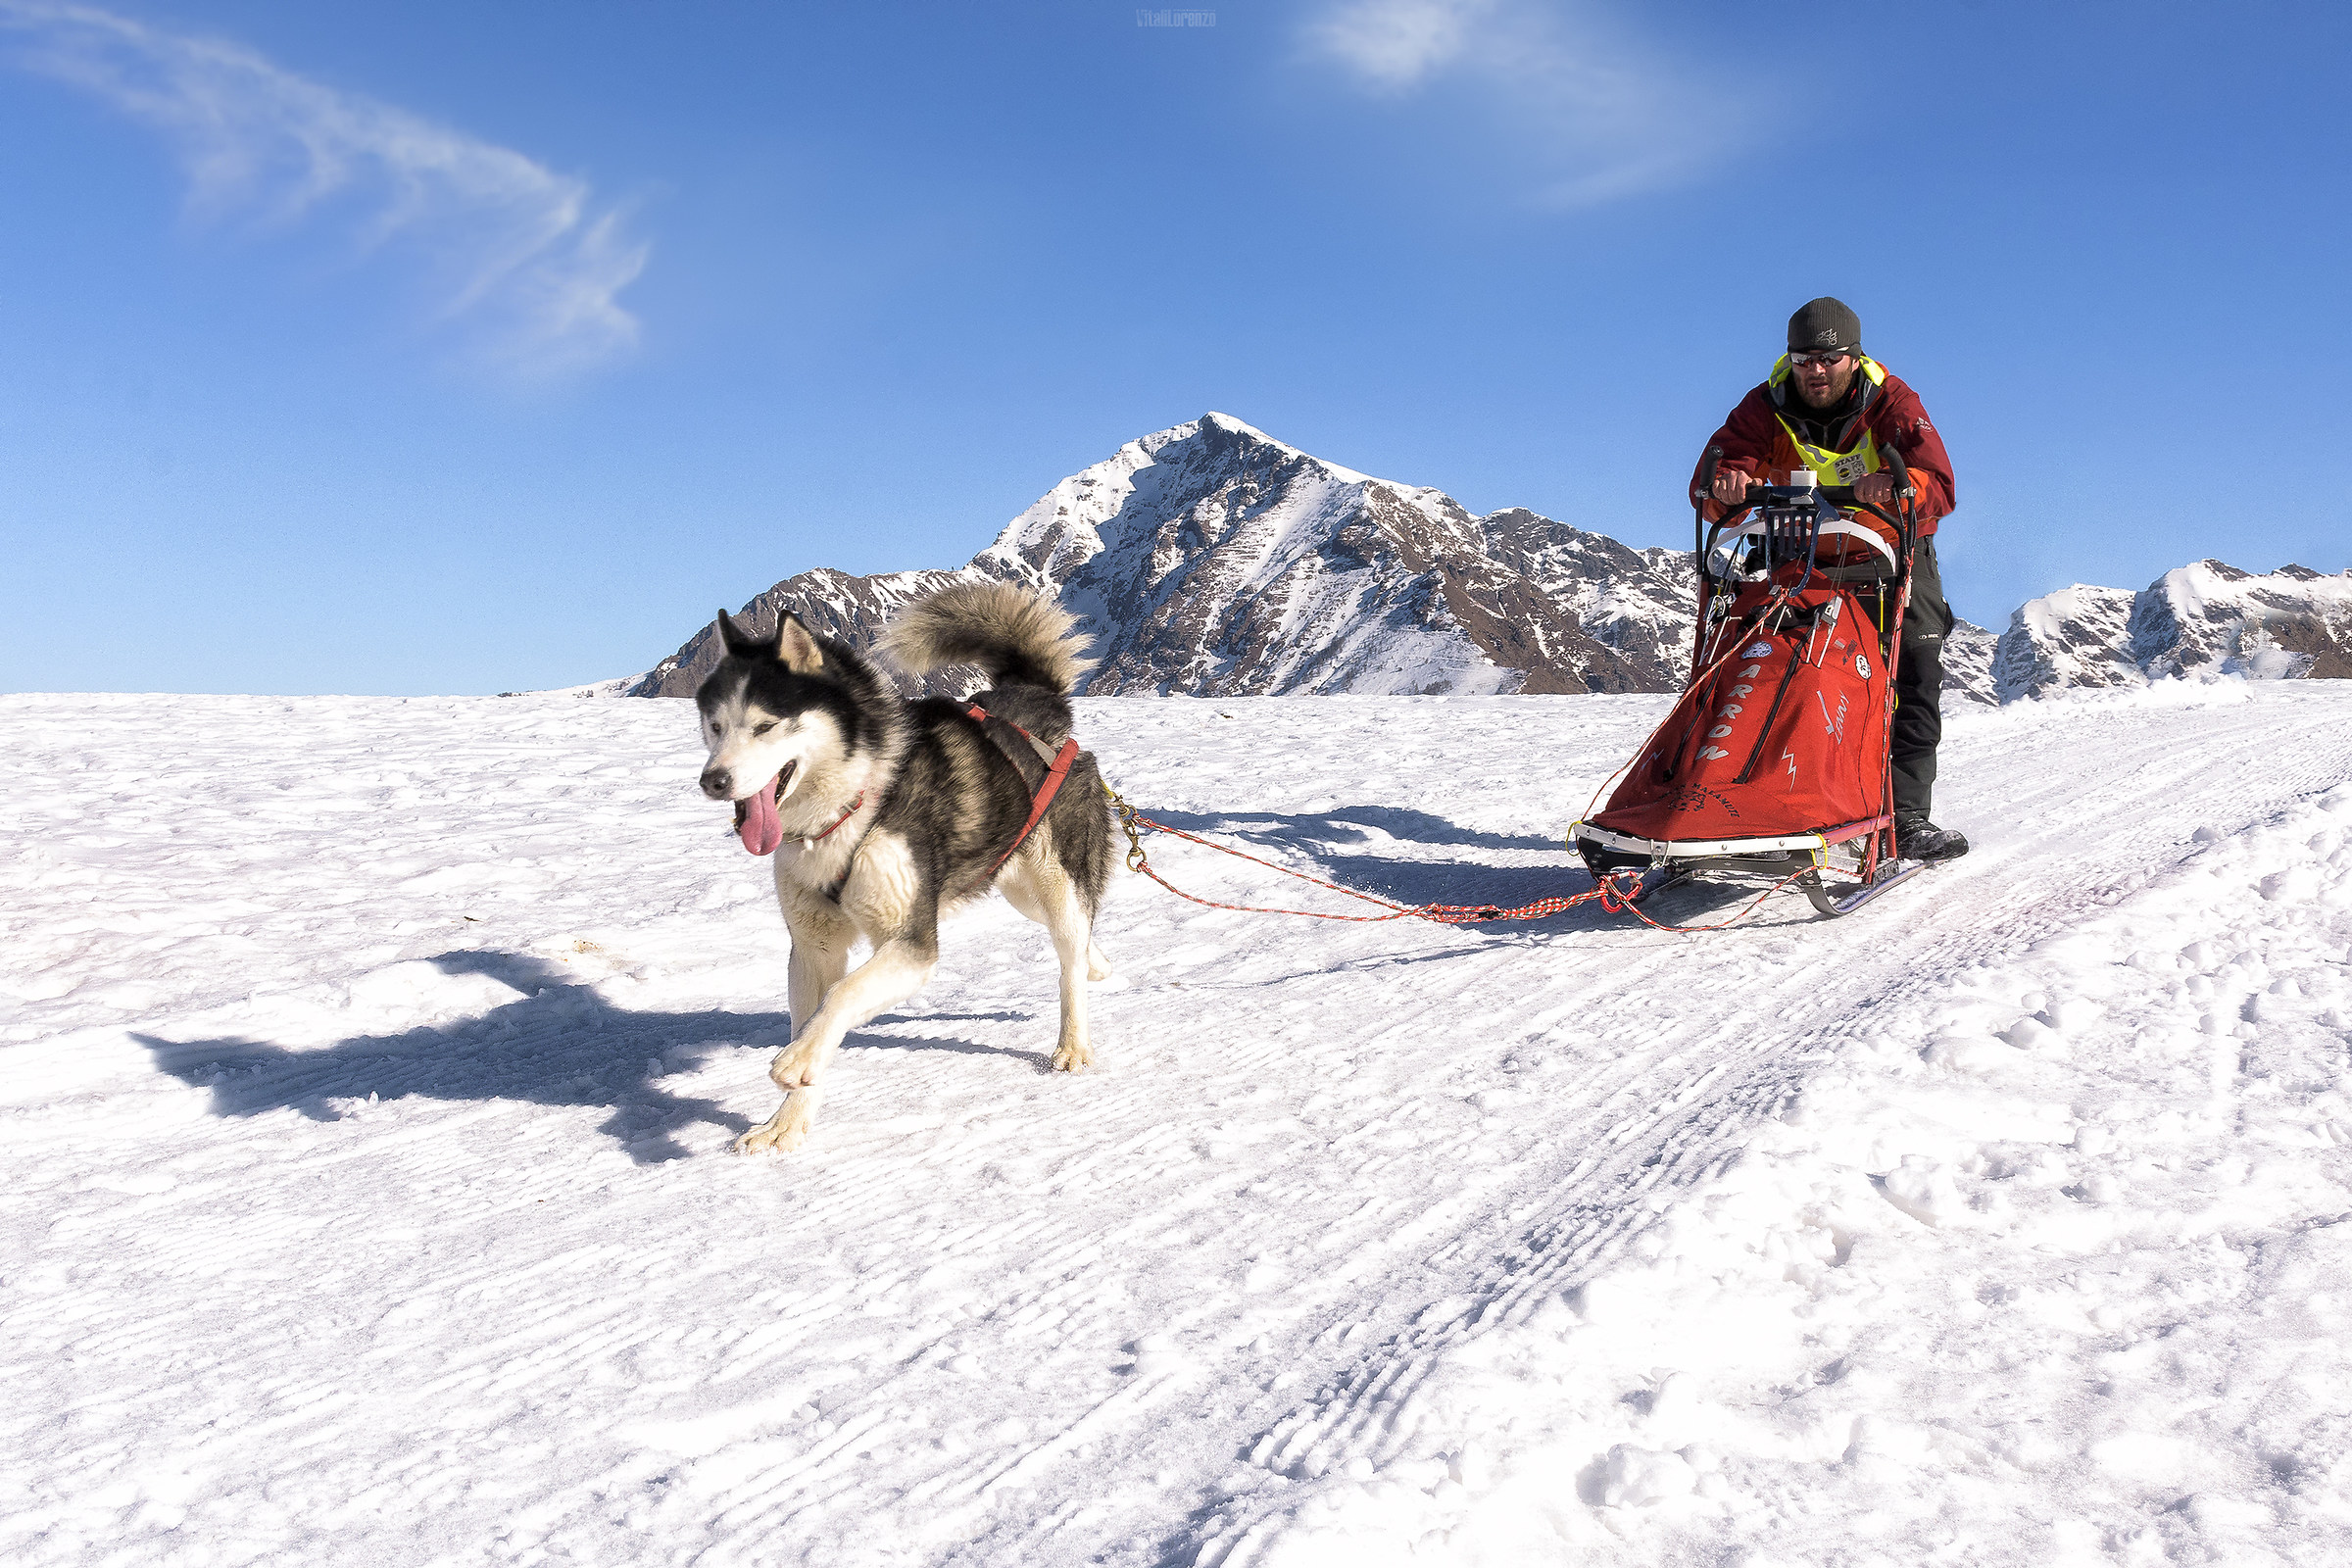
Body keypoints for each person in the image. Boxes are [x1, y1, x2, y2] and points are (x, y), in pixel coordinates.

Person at [1689, 296, 1970, 862]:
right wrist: (1728, 484)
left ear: (1853, 357)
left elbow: (1938, 482)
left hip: (1886, 549)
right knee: (1766, 666)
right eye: (1803, 360)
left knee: (1914, 666)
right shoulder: (1764, 406)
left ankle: (1906, 817)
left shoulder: (1891, 401)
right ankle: (1743, 800)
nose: (1814, 370)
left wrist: (1897, 485)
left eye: (1828, 359)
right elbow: (1714, 477)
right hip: (1798, 555)